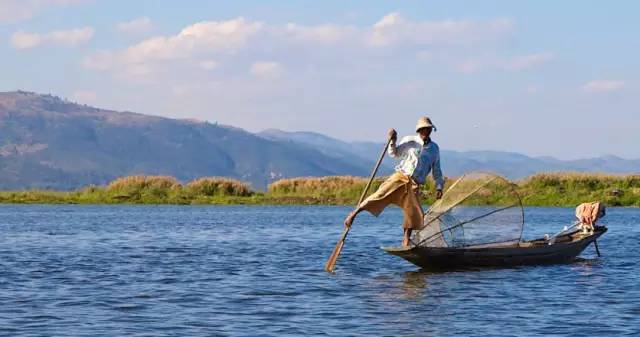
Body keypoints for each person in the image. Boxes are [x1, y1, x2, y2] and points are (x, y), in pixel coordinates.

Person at [344, 116, 444, 247]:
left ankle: (406, 240)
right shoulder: (410, 141)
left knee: (413, 213)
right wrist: (393, 140)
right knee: (380, 195)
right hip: (401, 177)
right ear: (419, 130)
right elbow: (394, 153)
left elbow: (436, 170)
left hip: (415, 183)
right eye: (424, 129)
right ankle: (354, 213)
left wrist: (439, 186)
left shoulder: (434, 149)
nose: (426, 131)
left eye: (428, 129)